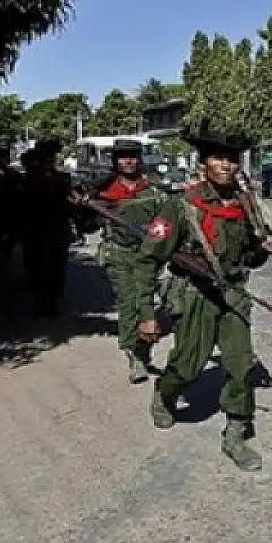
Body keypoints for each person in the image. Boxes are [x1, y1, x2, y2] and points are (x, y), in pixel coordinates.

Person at [131, 125, 272, 471]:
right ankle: (165, 393)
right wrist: (146, 313)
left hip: (233, 295)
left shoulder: (246, 205)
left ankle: (236, 433)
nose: (226, 166)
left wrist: (264, 249)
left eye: (232, 159)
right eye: (218, 159)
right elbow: (147, 260)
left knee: (241, 367)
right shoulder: (182, 206)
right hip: (194, 294)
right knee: (187, 365)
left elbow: (248, 258)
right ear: (204, 164)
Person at [77, 139, 166, 383]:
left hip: (147, 254)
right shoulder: (104, 190)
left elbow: (166, 221)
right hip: (119, 254)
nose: (128, 161)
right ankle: (133, 353)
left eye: (133, 156)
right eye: (123, 157)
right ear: (115, 161)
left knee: (146, 302)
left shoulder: (152, 189)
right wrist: (86, 207)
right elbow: (86, 222)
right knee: (129, 302)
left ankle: (143, 349)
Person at [19, 139, 75, 316]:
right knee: (38, 265)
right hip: (37, 228)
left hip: (55, 227)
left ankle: (52, 299)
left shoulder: (61, 178)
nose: (49, 160)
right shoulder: (30, 178)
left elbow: (69, 203)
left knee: (56, 266)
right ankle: (43, 299)